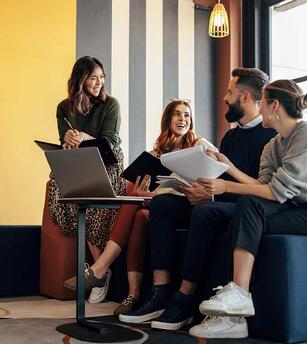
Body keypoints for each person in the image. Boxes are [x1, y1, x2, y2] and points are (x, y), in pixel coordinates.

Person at [190, 79, 307, 339]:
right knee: (240, 217)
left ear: (274, 106)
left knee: (248, 207)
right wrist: (228, 167)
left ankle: (239, 295)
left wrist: (226, 186)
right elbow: (262, 187)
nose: (259, 108)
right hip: (300, 210)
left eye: (263, 102)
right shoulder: (273, 145)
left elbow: (275, 192)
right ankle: (234, 317)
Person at [119, 68, 277, 331]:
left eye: (229, 92)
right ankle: (160, 292)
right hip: (221, 199)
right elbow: (215, 176)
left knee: (205, 211)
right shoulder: (230, 136)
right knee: (162, 204)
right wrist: (201, 190)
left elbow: (262, 189)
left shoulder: (270, 136)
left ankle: (184, 299)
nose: (225, 98)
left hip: (248, 207)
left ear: (246, 97)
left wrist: (211, 195)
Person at [63, 99, 216, 309]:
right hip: (161, 206)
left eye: (187, 115)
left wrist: (152, 195)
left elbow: (212, 177)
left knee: (137, 204)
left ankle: (100, 269)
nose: (182, 119)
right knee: (137, 210)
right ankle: (132, 294)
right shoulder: (155, 154)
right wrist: (145, 193)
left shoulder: (199, 145)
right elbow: (140, 189)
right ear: (168, 120)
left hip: (189, 206)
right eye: (177, 114)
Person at [47, 56, 126, 303]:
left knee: (92, 204)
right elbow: (64, 140)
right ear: (80, 80)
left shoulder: (111, 104)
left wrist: (83, 136)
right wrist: (68, 140)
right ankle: (101, 271)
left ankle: (99, 271)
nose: (99, 82)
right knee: (60, 188)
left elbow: (111, 142)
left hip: (107, 161)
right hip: (79, 160)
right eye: (93, 78)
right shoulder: (63, 107)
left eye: (102, 77)